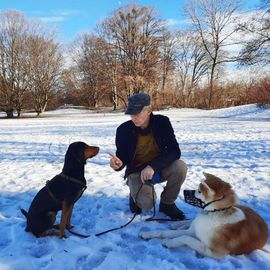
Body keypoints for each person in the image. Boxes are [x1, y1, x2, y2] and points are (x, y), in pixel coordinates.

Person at [109, 93, 187, 220]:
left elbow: (174, 151)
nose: (133, 117)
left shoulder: (162, 123)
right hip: (136, 171)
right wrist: (118, 164)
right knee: (146, 205)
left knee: (180, 167)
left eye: (137, 113)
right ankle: (134, 192)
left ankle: (167, 204)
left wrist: (153, 166)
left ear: (149, 110)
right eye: (131, 113)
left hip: (159, 167)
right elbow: (122, 156)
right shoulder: (123, 130)